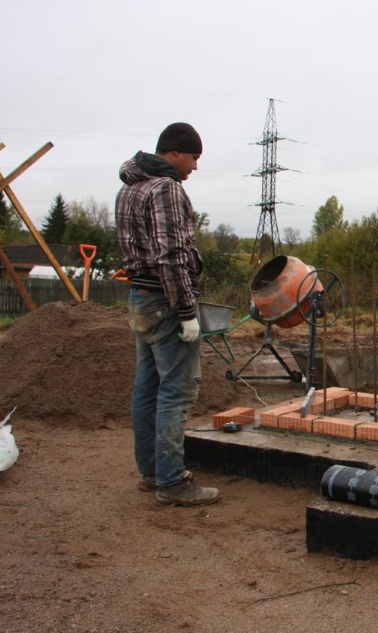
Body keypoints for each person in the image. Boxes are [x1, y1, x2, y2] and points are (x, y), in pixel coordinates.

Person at [115, 122, 219, 507]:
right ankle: (172, 482)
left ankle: (151, 473)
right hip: (166, 301)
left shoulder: (129, 188)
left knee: (147, 387)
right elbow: (171, 256)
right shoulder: (166, 189)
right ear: (174, 152)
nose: (194, 166)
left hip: (140, 298)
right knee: (176, 392)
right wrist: (187, 310)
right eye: (193, 157)